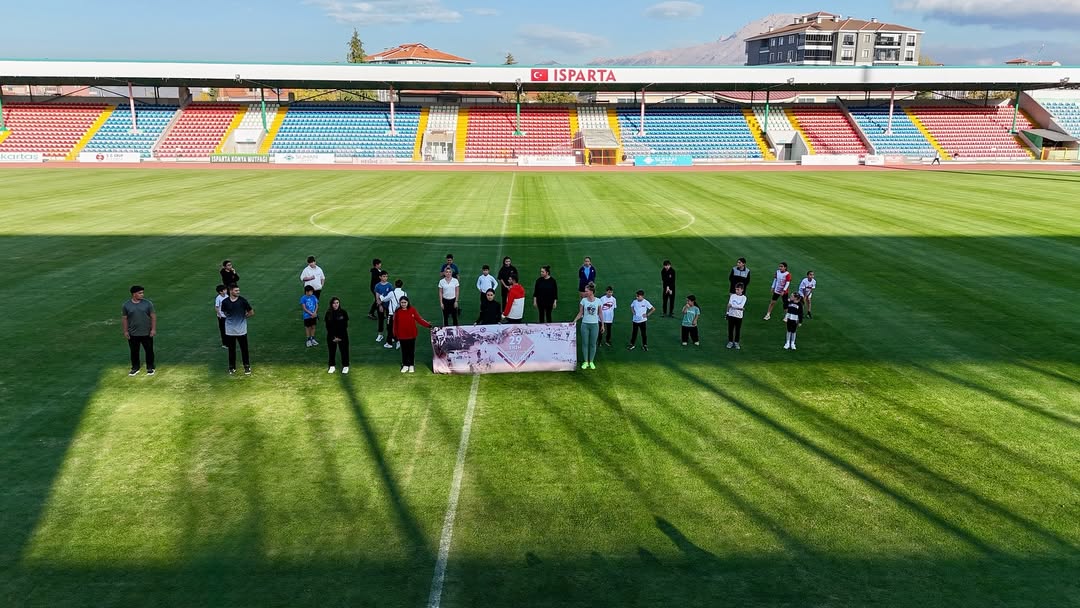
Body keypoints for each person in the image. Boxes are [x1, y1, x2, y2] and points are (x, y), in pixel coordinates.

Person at [122, 285, 157, 376]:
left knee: (149, 351)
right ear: (134, 294)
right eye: (140, 293)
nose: (142, 294)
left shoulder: (148, 304)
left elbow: (153, 316)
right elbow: (124, 318)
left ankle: (150, 367)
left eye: (142, 293)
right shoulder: (126, 305)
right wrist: (125, 331)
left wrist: (153, 329)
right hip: (133, 333)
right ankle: (135, 368)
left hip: (146, 332)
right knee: (134, 351)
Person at [220, 284, 254, 375]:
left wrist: (243, 317)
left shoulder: (243, 301)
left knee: (244, 349)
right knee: (231, 350)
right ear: (231, 291)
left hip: (241, 330)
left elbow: (251, 312)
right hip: (230, 331)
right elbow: (224, 313)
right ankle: (232, 367)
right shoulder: (225, 302)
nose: (238, 292)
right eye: (236, 290)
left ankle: (247, 367)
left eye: (238, 290)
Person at [392, 295, 432, 373]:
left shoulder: (412, 310)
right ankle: (405, 365)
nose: (403, 304)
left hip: (411, 334)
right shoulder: (397, 312)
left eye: (405, 302)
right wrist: (395, 334)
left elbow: (419, 319)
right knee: (404, 351)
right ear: (400, 303)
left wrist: (428, 325)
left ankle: (411, 365)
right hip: (402, 335)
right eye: (402, 302)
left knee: (411, 350)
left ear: (407, 302)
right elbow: (395, 324)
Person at [572, 283, 604, 369]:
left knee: (593, 344)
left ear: (591, 291)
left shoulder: (598, 301)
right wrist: (575, 320)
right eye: (585, 291)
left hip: (595, 325)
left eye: (587, 291)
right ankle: (586, 361)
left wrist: (602, 325)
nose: (585, 292)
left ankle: (591, 361)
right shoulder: (583, 301)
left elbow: (600, 313)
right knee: (585, 343)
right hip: (585, 324)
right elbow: (580, 313)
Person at [324, 297, 350, 374]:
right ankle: (332, 366)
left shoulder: (343, 312)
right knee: (331, 351)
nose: (336, 304)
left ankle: (345, 366)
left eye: (337, 303)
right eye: (334, 303)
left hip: (343, 336)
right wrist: (333, 337)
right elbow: (328, 327)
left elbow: (345, 326)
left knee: (344, 351)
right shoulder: (328, 313)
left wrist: (340, 337)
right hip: (331, 336)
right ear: (331, 304)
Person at [381, 279, 407, 349]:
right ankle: (397, 340)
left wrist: (381, 296)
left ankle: (389, 343)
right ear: (402, 285)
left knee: (389, 328)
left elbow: (384, 299)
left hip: (392, 313)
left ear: (395, 285)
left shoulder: (392, 293)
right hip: (401, 314)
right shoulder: (404, 293)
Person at [374, 271, 393, 342]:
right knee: (381, 320)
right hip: (381, 305)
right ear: (380, 277)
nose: (385, 278)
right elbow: (377, 297)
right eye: (384, 276)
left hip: (389, 306)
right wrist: (380, 305)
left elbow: (391, 296)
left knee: (389, 321)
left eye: (386, 276)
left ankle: (390, 335)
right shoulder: (377, 286)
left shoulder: (390, 285)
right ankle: (380, 334)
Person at [726, 283, 747, 350]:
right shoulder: (732, 296)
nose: (736, 291)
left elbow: (740, 306)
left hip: (739, 316)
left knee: (737, 330)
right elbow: (729, 305)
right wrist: (727, 313)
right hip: (731, 315)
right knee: (730, 329)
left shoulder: (744, 298)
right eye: (736, 289)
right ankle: (730, 342)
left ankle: (736, 342)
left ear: (742, 290)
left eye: (738, 289)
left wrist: (733, 306)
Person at [214, 284, 228, 349]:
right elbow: (216, 307)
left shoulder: (227, 296)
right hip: (221, 316)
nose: (226, 290)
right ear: (220, 292)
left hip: (227, 316)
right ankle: (225, 344)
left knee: (228, 329)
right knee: (223, 330)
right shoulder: (218, 298)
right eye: (224, 290)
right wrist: (219, 314)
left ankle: (228, 342)